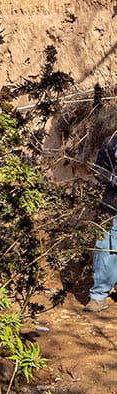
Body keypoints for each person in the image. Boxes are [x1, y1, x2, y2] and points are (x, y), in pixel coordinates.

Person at [86, 131, 117, 311]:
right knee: (105, 247)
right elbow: (99, 169)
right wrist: (112, 179)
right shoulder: (111, 141)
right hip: (112, 203)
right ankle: (98, 296)